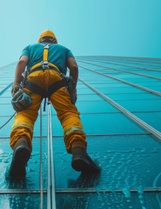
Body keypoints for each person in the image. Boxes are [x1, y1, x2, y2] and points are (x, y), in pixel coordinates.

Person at [9, 30, 99, 177]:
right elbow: (74, 67)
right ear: (54, 41)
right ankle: (79, 152)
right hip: (57, 80)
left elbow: (21, 62)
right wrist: (73, 89)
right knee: (68, 114)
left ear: (40, 40)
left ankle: (21, 145)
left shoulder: (31, 47)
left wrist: (16, 84)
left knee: (26, 114)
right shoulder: (64, 49)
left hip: (33, 80)